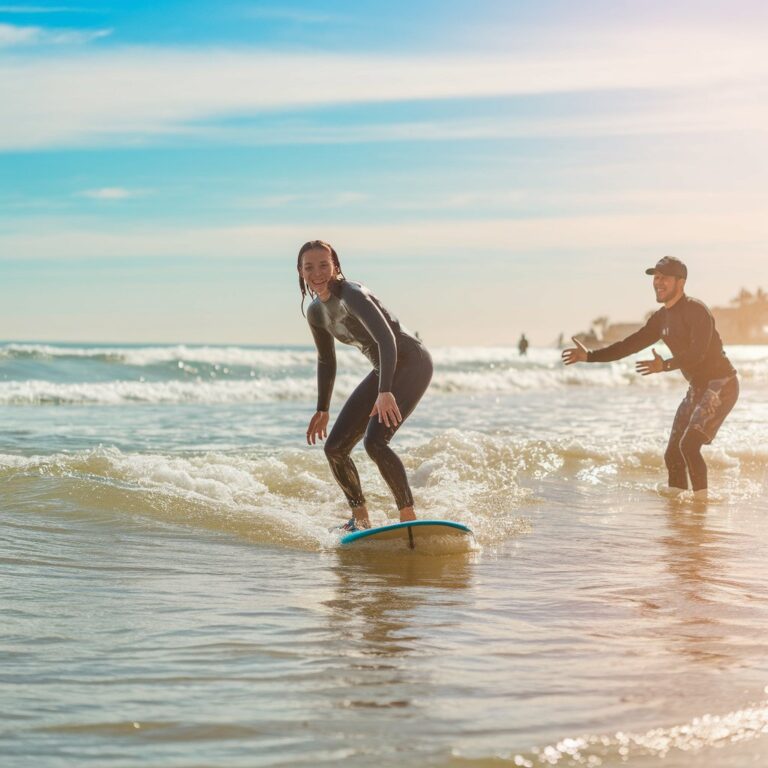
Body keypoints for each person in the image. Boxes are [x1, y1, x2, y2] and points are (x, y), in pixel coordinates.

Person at [561, 256, 738, 499]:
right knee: (673, 454)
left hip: (722, 384)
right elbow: (629, 345)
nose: (658, 282)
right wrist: (590, 356)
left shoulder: (696, 311)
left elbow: (697, 354)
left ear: (681, 282)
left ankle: (700, 507)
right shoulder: (661, 318)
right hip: (698, 387)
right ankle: (678, 506)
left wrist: (664, 365)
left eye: (664, 277)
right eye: (656, 278)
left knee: (689, 446)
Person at [298, 240, 433, 530]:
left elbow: (387, 339)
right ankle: (361, 520)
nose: (317, 272)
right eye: (309, 267)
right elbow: (326, 360)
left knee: (374, 442)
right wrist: (322, 409)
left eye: (324, 264)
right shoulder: (316, 313)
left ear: (335, 265)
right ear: (300, 271)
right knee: (335, 448)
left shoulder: (353, 295)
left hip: (411, 362)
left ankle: (408, 517)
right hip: (383, 369)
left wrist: (385, 392)